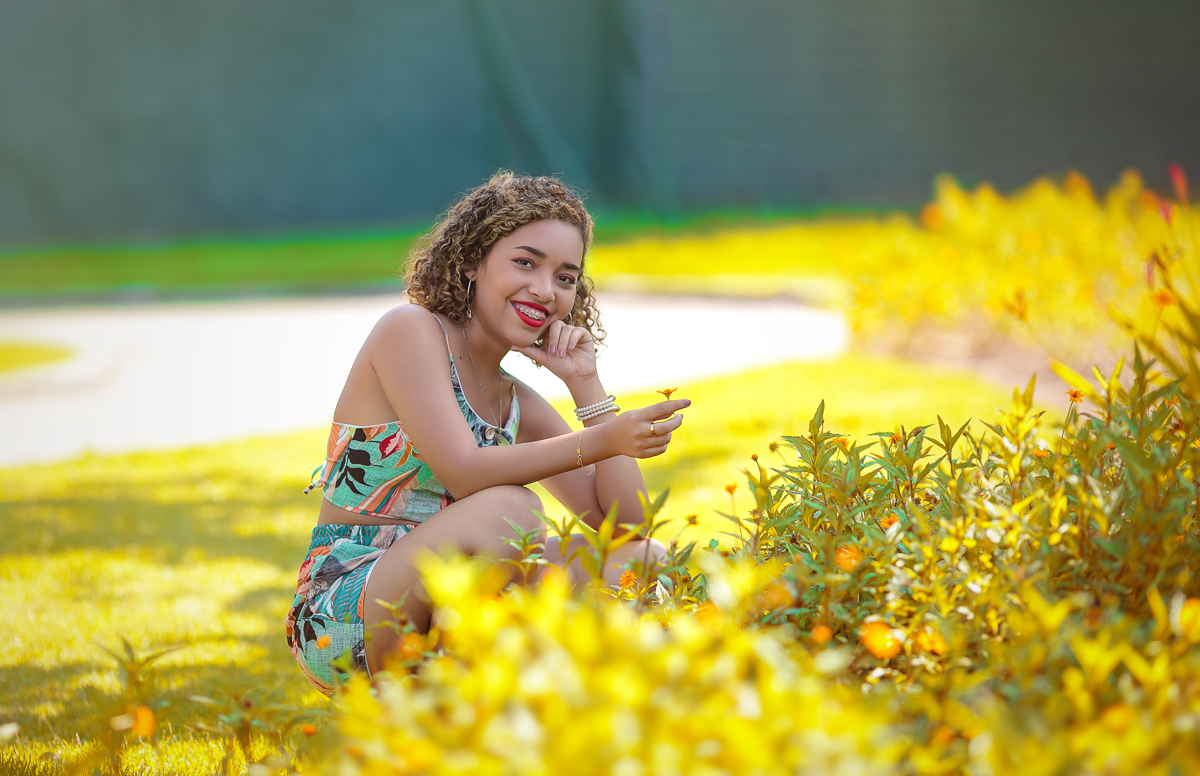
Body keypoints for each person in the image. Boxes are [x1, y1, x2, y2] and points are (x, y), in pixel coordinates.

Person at [286, 173, 690, 694]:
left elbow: (627, 528)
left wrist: (588, 388)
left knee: (643, 563)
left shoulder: (515, 401)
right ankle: (453, 714)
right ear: (473, 262)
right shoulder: (410, 331)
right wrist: (608, 440)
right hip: (345, 607)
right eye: (525, 262)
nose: (545, 290)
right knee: (512, 512)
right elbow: (464, 469)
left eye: (566, 278)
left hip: (453, 610)